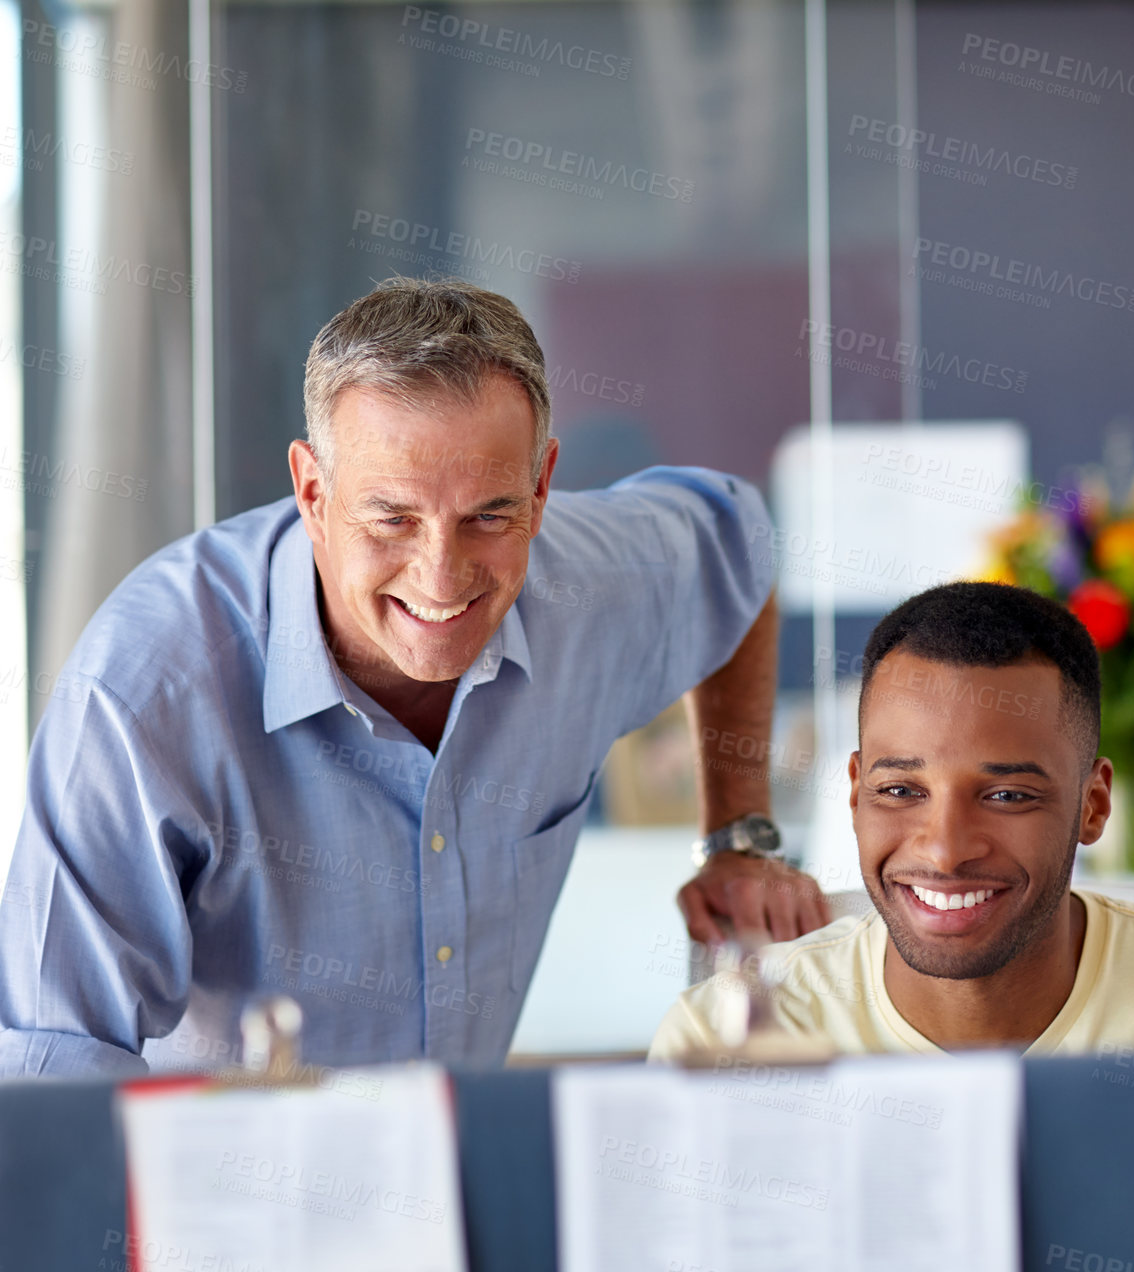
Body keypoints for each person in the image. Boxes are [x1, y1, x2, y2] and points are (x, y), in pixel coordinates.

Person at [0, 277, 827, 1077]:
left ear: (540, 489)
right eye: (392, 518)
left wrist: (737, 837)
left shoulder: (591, 584)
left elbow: (740, 552)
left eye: (488, 516)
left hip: (448, 1170)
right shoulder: (142, 695)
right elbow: (54, 1080)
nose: (441, 577)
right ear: (313, 492)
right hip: (215, 1187)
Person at [651, 581, 1134, 1060]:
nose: (943, 851)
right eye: (901, 788)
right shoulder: (721, 1044)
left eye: (1007, 795)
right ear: (853, 794)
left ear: (1092, 805)